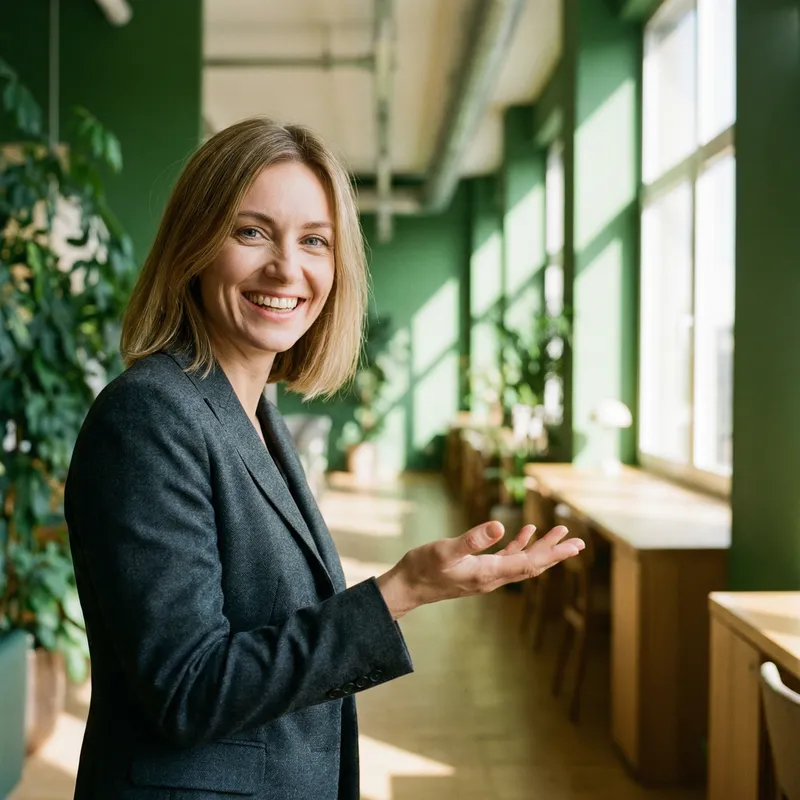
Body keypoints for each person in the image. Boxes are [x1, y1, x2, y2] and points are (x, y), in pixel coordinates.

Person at [64, 117, 585, 800]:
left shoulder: (258, 414)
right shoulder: (149, 417)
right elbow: (189, 687)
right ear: (193, 245)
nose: (288, 267)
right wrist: (400, 593)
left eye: (314, 241)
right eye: (251, 232)